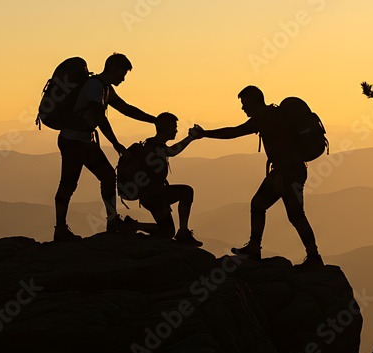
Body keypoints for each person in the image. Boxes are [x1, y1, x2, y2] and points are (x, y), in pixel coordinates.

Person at [190, 86, 323, 268]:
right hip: (294, 171)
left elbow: (234, 132)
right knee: (289, 213)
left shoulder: (265, 118)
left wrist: (205, 134)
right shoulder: (273, 114)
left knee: (269, 207)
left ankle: (261, 249)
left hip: (286, 172)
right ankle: (312, 256)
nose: (243, 108)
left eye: (245, 104)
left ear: (254, 102)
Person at [53, 53, 156, 241]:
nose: (123, 78)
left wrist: (154, 120)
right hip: (74, 142)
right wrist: (116, 143)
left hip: (82, 141)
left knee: (106, 176)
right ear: (114, 69)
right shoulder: (95, 86)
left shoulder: (105, 88)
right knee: (69, 183)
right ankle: (61, 228)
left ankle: (111, 221)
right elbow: (99, 117)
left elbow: (126, 109)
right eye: (123, 73)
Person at [126, 112, 203, 246]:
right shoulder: (155, 145)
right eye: (174, 127)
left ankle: (134, 226)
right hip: (154, 197)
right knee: (186, 192)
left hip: (152, 196)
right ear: (166, 128)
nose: (176, 130)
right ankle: (183, 232)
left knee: (167, 232)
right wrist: (191, 137)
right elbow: (172, 151)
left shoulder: (150, 144)